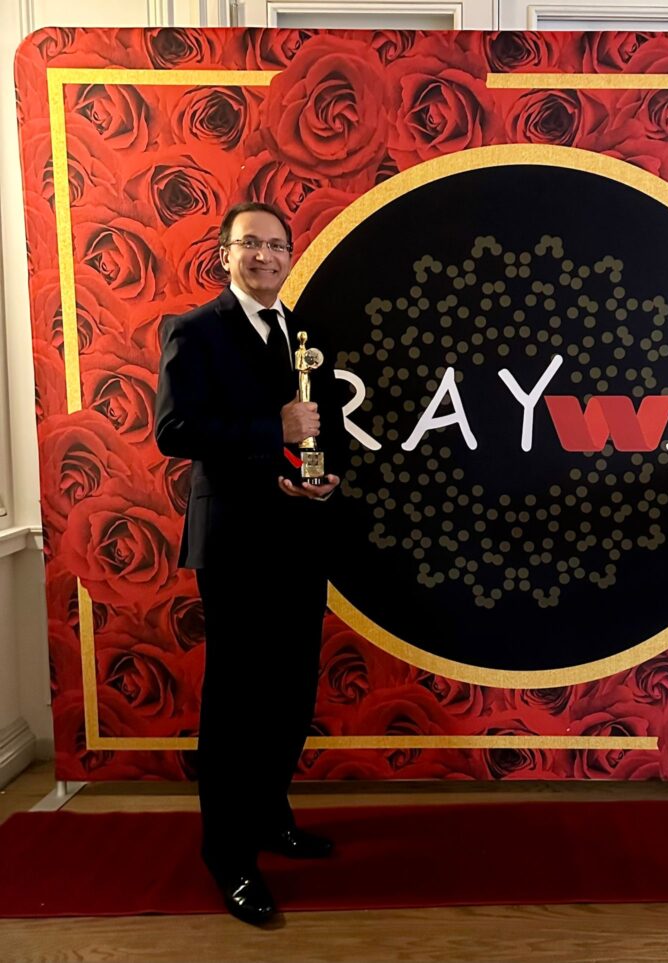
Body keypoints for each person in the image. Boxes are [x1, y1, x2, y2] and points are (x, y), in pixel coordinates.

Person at [155, 201, 342, 926]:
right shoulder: (195, 331)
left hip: (299, 532)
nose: (265, 255)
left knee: (292, 690)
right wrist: (275, 429)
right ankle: (228, 858)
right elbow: (175, 429)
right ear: (225, 254)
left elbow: (321, 425)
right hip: (234, 541)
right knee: (236, 702)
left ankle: (269, 817)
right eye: (250, 244)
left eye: (276, 244)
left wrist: (325, 475)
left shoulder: (305, 331)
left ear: (290, 254)